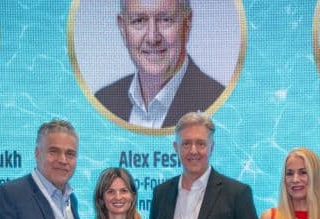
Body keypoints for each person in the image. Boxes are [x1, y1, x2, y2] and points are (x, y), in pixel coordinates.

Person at [95, 0, 225, 129]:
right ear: (123, 28)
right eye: (139, 21)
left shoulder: (220, 105)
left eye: (165, 20)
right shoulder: (103, 102)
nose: (152, 38)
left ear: (187, 24)